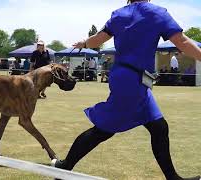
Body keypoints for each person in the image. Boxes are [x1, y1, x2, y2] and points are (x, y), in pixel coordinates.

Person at [51, 1, 201, 180]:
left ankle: (173, 177)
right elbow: (182, 41)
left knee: (159, 127)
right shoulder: (157, 13)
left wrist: (83, 43)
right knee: (104, 130)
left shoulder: (118, 14)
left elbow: (98, 39)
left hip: (128, 77)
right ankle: (64, 167)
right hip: (133, 81)